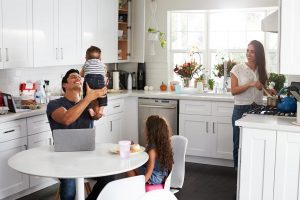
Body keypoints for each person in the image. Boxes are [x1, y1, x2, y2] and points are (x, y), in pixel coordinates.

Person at [46, 69, 114, 200]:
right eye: (73, 77)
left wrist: (99, 94)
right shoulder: (54, 104)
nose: (77, 78)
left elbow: (98, 114)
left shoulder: (88, 105)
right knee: (70, 186)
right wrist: (88, 98)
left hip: (87, 158)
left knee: (109, 178)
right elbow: (66, 119)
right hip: (63, 160)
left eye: (79, 76)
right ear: (64, 85)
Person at [230, 40, 274, 170]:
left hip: (258, 110)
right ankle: (239, 176)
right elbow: (233, 90)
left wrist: (268, 91)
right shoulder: (237, 69)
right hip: (241, 110)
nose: (249, 54)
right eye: (248, 50)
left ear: (259, 54)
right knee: (239, 143)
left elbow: (260, 90)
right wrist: (250, 84)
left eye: (252, 51)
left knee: (255, 143)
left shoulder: (262, 70)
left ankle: (252, 173)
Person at [127, 115, 174, 185]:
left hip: (154, 177)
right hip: (161, 174)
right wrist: (134, 146)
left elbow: (149, 172)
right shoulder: (161, 144)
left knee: (129, 165)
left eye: (146, 128)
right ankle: (134, 182)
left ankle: (135, 186)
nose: (144, 130)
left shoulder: (152, 151)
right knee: (134, 164)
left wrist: (141, 184)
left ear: (151, 131)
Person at [80, 46, 107, 117]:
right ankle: (101, 110)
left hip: (89, 80)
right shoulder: (102, 64)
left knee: (86, 95)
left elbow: (81, 74)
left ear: (86, 58)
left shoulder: (86, 63)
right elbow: (104, 73)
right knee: (103, 95)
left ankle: (90, 109)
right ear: (100, 58)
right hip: (100, 80)